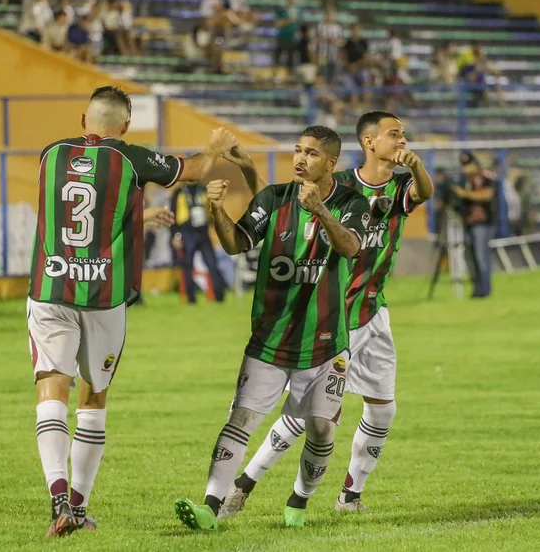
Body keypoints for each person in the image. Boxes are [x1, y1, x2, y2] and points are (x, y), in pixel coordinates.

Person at [27, 86, 240, 537]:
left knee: (51, 388)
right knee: (93, 397)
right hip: (103, 296)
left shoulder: (50, 154)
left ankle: (58, 501)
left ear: (83, 119)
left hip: (50, 288)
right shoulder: (130, 157)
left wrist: (136, 219)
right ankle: (79, 510)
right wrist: (214, 148)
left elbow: (76, 211)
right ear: (124, 127)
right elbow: (197, 170)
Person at [219, 111, 433, 519]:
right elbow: (280, 204)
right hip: (336, 317)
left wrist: (419, 166)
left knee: (382, 409)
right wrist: (248, 169)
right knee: (309, 417)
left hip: (374, 310)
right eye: (394, 134)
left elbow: (425, 193)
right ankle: (242, 485)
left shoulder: (402, 185)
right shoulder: (342, 186)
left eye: (403, 134)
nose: (402, 140)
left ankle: (349, 495)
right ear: (369, 142)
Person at [174, 126, 370, 531]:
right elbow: (236, 244)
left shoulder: (352, 202)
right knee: (241, 418)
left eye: (312, 154)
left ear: (331, 162)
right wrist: (216, 211)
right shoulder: (273, 198)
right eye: (297, 151)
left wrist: (320, 211)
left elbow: (351, 247)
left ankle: (299, 499)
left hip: (325, 343)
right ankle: (211, 506)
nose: (300, 159)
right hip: (269, 341)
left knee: (319, 429)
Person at [170, 182, 227, 304]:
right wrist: (175, 235)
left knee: (212, 264)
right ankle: (191, 299)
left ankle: (219, 297)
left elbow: (213, 210)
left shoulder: (203, 189)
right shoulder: (179, 192)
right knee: (188, 266)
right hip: (186, 232)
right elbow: (173, 214)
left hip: (203, 232)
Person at [454, 153, 494, 298]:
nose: (465, 168)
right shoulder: (464, 180)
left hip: (483, 223)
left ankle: (485, 289)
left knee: (481, 257)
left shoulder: (485, 178)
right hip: (468, 222)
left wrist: (464, 194)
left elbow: (487, 195)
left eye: (467, 165)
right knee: (470, 258)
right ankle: (477, 289)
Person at [273, 0, 300, 80]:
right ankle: (275, 75)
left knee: (291, 59)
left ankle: (290, 76)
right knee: (278, 57)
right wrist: (289, 20)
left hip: (293, 38)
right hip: (282, 37)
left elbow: (299, 24)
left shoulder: (298, 10)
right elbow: (277, 23)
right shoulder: (281, 10)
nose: (291, 0)